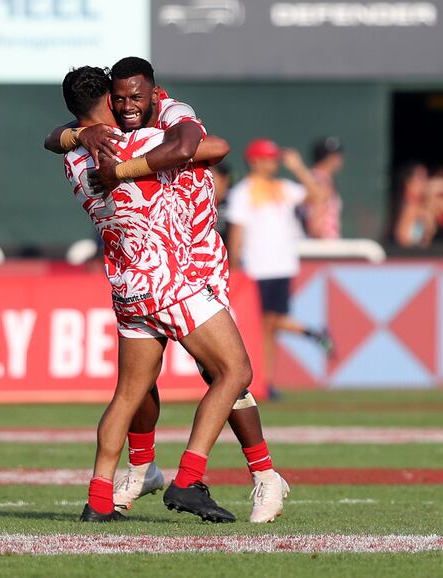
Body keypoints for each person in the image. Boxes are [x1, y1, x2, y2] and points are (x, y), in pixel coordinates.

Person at [48, 58, 289, 524]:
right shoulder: (144, 138)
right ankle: (190, 479)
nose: (126, 107)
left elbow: (55, 137)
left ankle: (100, 498)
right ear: (109, 101)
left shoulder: (72, 158)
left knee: (127, 394)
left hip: (127, 284)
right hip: (173, 277)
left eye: (134, 98)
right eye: (118, 100)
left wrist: (76, 134)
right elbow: (210, 146)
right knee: (234, 372)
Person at [226, 138, 334, 397]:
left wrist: (298, 168)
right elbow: (237, 232)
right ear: (255, 161)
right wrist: (233, 266)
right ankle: (266, 378)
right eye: (269, 158)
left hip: (282, 265)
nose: (274, 162)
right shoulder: (243, 192)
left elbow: (320, 196)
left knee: (270, 326)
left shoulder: (283, 187)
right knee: (264, 326)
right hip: (257, 268)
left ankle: (267, 380)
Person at [392, 162, 443, 248]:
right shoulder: (405, 205)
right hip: (408, 257)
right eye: (420, 178)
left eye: (426, 177)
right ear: (408, 182)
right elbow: (402, 239)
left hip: (425, 256)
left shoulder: (429, 206)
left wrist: (441, 183)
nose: (425, 181)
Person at [306, 136, 344, 239]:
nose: (339, 159)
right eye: (335, 156)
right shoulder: (320, 180)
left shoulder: (317, 178)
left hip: (324, 246)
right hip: (323, 246)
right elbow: (316, 224)